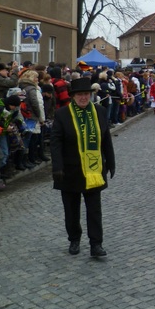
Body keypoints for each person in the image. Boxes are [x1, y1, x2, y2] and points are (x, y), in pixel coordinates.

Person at [51, 77, 115, 258]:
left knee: (94, 210)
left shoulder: (99, 111)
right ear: (73, 96)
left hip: (94, 170)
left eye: (86, 94)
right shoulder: (63, 114)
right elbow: (56, 143)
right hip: (70, 170)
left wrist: (110, 162)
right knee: (71, 209)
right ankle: (74, 239)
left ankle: (96, 244)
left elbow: (106, 139)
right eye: (80, 94)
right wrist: (57, 167)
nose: (83, 97)